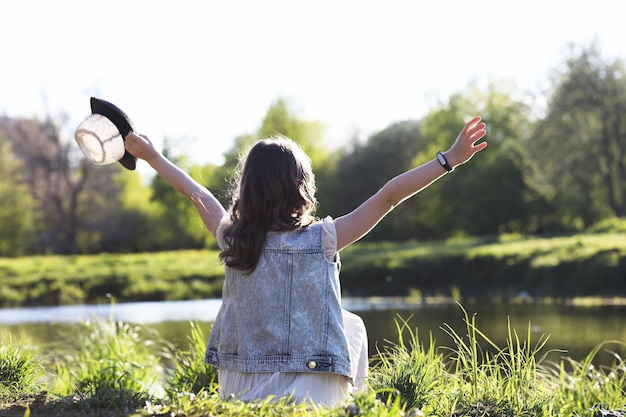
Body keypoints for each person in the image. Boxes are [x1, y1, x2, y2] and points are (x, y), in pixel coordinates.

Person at [124, 115, 487, 406]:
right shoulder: (324, 238)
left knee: (348, 322)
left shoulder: (233, 237)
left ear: (247, 187)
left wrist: (152, 156)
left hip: (238, 388)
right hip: (312, 391)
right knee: (354, 326)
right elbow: (388, 196)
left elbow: (196, 194)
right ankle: (347, 404)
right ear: (302, 186)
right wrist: (449, 159)